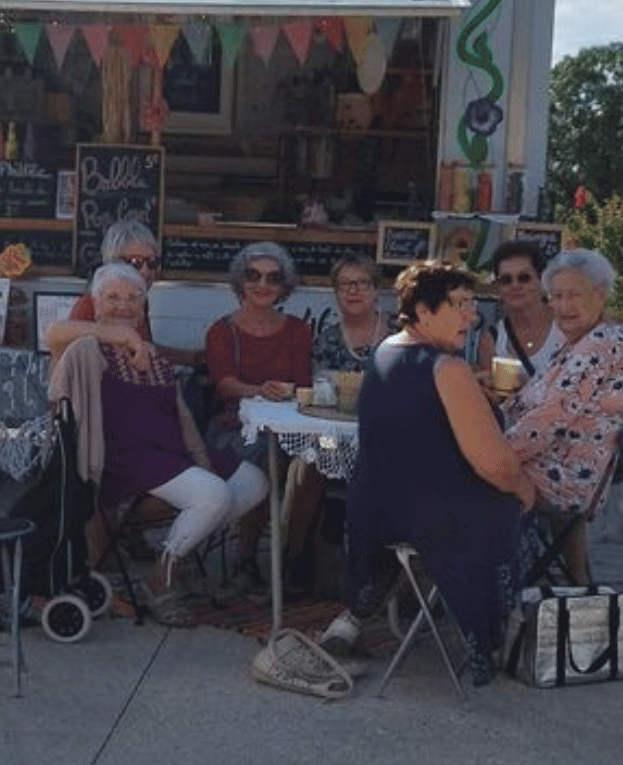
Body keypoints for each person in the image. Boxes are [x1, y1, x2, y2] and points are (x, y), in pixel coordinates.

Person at [319, 260, 535, 683]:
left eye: (472, 305)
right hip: (431, 518)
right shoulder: (446, 368)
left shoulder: (386, 350)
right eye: (459, 305)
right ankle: (495, 635)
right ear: (422, 311)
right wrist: (525, 489)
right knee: (518, 506)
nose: (471, 317)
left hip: (374, 511)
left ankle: (357, 616)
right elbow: (493, 464)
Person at [48, 263, 268, 626]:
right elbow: (54, 331)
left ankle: (174, 558)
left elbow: (182, 417)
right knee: (212, 495)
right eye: (112, 297)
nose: (123, 305)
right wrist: (125, 338)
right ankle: (159, 579)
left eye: (133, 298)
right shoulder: (83, 348)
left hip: (169, 455)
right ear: (95, 303)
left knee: (252, 482)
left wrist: (202, 460)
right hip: (123, 462)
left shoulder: (154, 356)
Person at [503, 247, 623, 582]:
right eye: (556, 296)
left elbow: (546, 422)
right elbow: (537, 400)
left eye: (574, 295)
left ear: (600, 295)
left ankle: (466, 586)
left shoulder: (600, 346)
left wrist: (490, 451)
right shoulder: (584, 340)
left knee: (456, 478)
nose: (563, 306)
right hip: (560, 465)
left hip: (564, 477)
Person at [203, 241, 314, 587]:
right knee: (264, 458)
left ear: (284, 286)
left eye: (272, 277)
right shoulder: (222, 331)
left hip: (289, 425)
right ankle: (245, 558)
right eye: (253, 276)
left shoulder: (297, 330)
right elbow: (224, 386)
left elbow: (303, 384)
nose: (262, 285)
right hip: (234, 427)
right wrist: (259, 390)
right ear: (240, 281)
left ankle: (296, 561)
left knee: (316, 465)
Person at [45, 219, 169, 368]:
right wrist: (124, 335)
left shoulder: (140, 299)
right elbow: (57, 336)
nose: (145, 271)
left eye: (152, 263)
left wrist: (189, 356)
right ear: (111, 262)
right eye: (135, 262)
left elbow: (143, 347)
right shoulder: (94, 301)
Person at [476, 239, 566, 379]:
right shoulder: (492, 339)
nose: (515, 285)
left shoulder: (567, 329)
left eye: (524, 278)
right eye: (506, 280)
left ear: (542, 281)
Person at [311, 254, 390, 377]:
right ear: (336, 292)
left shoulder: (403, 333)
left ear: (376, 290)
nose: (352, 291)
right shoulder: (325, 343)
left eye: (363, 283)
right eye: (344, 283)